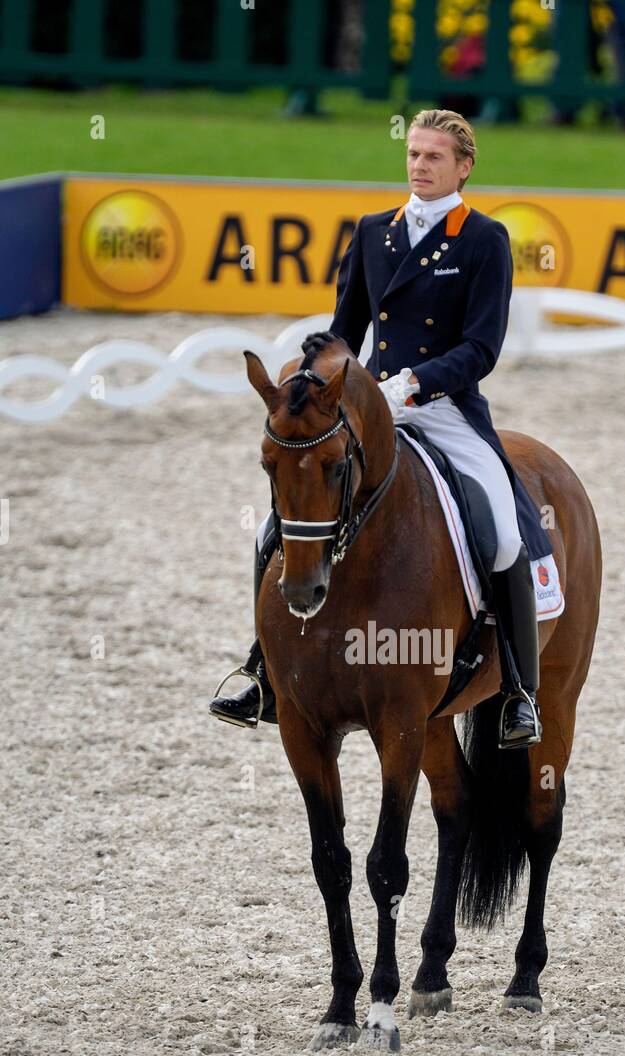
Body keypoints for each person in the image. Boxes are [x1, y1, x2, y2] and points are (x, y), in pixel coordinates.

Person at [210, 108, 541, 748]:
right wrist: (313, 380)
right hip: (368, 411)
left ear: (463, 166)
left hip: (443, 409)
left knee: (500, 528)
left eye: (434, 157)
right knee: (267, 530)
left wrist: (411, 385)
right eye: (414, 155)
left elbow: (482, 348)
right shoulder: (372, 234)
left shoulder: (485, 240)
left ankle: (519, 693)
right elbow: (344, 334)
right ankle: (264, 671)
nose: (420, 166)